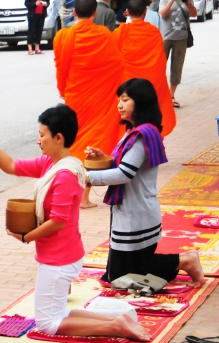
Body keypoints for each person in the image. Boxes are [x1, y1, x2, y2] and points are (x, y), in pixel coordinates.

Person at [0, 105, 151, 341]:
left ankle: (115, 327)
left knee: (47, 323)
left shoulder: (65, 174)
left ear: (58, 138)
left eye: (42, 135)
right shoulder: (51, 163)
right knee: (58, 313)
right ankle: (118, 320)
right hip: (62, 253)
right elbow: (11, 166)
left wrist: (27, 237)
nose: (38, 140)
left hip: (60, 257)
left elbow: (58, 221)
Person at [84, 79, 203, 286]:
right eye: (119, 100)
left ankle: (185, 260)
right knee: (115, 274)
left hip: (136, 212)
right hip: (134, 209)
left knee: (122, 275)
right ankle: (182, 260)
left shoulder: (140, 135)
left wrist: (87, 177)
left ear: (140, 102)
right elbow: (128, 165)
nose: (119, 105)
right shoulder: (137, 131)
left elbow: (124, 174)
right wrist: (104, 157)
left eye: (125, 100)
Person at [54, 0, 124, 208]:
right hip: (101, 98)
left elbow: (60, 68)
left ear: (74, 12)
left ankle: (65, 192)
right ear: (95, 13)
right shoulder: (104, 35)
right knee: (92, 145)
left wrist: (63, 91)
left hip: (75, 97)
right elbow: (118, 65)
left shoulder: (63, 36)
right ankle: (83, 198)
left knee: (73, 144)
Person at [114, 0, 176, 136]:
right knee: (148, 119)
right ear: (145, 12)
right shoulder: (154, 33)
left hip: (128, 88)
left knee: (128, 121)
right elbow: (160, 63)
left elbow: (113, 62)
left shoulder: (121, 32)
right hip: (149, 87)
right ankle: (150, 141)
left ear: (128, 13)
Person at [159, 0, 196, 108]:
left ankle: (171, 96)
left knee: (177, 67)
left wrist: (188, 3)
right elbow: (162, 14)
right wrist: (171, 2)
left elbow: (194, 14)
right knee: (159, 66)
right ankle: (161, 94)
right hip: (165, 37)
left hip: (181, 38)